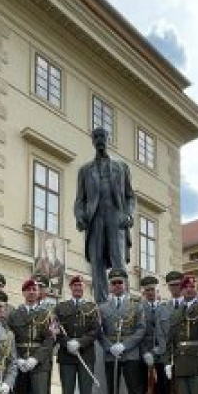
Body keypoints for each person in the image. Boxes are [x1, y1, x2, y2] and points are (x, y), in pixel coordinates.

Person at [74, 127, 135, 306]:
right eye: (96, 137)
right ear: (93, 141)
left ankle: (123, 304)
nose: (99, 139)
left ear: (108, 139)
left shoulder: (121, 167)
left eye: (102, 136)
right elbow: (80, 200)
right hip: (95, 220)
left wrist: (128, 214)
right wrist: (80, 216)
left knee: (118, 261)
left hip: (116, 217)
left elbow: (130, 196)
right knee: (97, 263)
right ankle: (101, 305)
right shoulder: (85, 170)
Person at [9, 279, 56, 394]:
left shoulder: (47, 314)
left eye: (34, 289)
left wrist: (35, 359)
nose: (31, 292)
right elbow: (9, 340)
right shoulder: (14, 314)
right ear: (23, 293)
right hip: (20, 364)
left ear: (38, 293)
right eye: (28, 289)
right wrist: (17, 359)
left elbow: (50, 339)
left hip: (39, 365)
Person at [99, 268, 147, 394]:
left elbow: (141, 329)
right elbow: (98, 331)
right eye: (114, 283)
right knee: (112, 392)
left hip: (130, 354)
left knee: (135, 391)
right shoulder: (103, 307)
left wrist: (125, 345)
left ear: (125, 284)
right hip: (111, 355)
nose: (117, 285)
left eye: (120, 282)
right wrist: (109, 347)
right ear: (110, 286)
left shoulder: (136, 305)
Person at [55, 274, 99, 394]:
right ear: (70, 288)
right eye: (75, 286)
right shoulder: (61, 307)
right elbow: (56, 330)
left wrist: (80, 342)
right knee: (67, 393)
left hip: (86, 355)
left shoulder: (92, 308)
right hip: (66, 356)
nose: (78, 288)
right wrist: (67, 342)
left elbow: (96, 330)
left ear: (84, 288)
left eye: (80, 286)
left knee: (86, 393)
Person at [140, 275, 169, 394]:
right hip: (145, 357)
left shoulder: (166, 308)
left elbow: (169, 334)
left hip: (162, 356)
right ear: (144, 293)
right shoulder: (139, 309)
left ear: (158, 291)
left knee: (165, 392)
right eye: (147, 290)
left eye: (152, 289)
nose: (150, 292)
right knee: (146, 391)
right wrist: (145, 353)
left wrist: (158, 351)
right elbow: (138, 333)